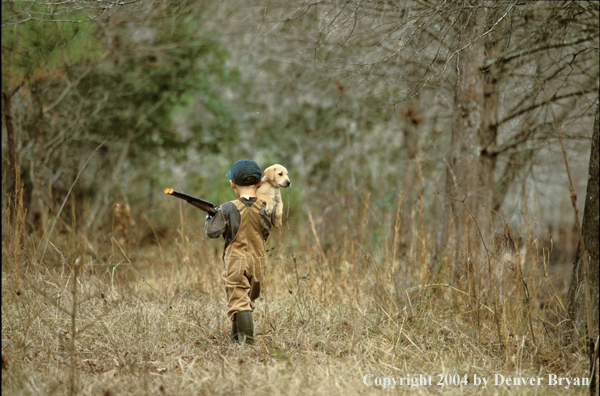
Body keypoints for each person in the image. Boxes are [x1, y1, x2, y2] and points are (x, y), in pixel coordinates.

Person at [205, 159, 276, 344]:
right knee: (246, 300)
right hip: (259, 261)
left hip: (236, 260)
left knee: (238, 300)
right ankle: (236, 340)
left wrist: (211, 215)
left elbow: (213, 232)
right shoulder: (269, 207)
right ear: (259, 183)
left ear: (232, 184)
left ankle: (247, 345)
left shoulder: (228, 207)